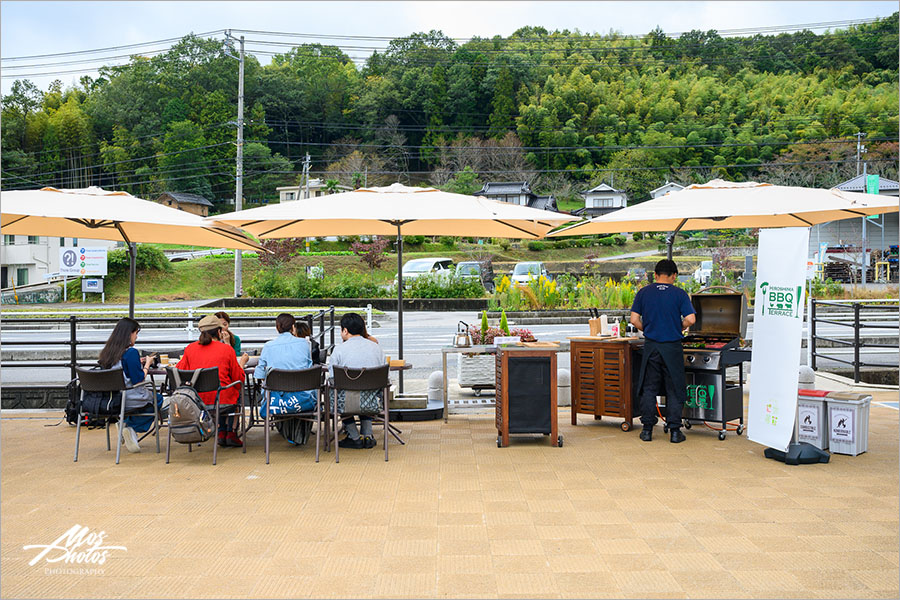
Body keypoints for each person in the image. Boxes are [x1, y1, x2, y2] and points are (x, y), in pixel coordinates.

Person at [630, 259, 697, 444]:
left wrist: (648, 329)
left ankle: (647, 430)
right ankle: (675, 432)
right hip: (672, 347)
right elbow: (691, 319)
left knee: (648, 388)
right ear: (674, 275)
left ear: (655, 274)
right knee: (674, 389)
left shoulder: (644, 293)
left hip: (652, 346)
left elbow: (634, 319)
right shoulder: (679, 294)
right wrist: (678, 326)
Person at [177, 315, 249, 447]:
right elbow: (238, 378)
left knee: (221, 392)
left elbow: (181, 371)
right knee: (232, 392)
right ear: (219, 331)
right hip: (223, 400)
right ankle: (231, 432)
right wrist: (242, 364)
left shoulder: (190, 349)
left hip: (197, 400)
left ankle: (221, 431)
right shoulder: (226, 349)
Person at [97, 317, 164, 453]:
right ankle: (129, 426)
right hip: (130, 396)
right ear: (129, 334)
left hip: (112, 398)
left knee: (147, 402)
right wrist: (147, 364)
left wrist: (136, 363)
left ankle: (127, 426)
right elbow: (138, 379)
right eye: (136, 333)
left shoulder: (108, 352)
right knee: (158, 399)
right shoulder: (131, 352)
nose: (136, 337)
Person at [327, 312, 385, 449]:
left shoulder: (339, 350)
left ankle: (354, 437)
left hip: (345, 402)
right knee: (366, 393)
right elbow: (384, 375)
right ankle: (367, 435)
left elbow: (332, 377)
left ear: (345, 331)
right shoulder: (376, 348)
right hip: (372, 401)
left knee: (335, 394)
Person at [255, 313, 317, 416]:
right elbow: (308, 366)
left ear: (277, 327)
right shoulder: (304, 344)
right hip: (303, 396)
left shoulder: (268, 346)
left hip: (276, 399)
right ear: (293, 327)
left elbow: (259, 375)